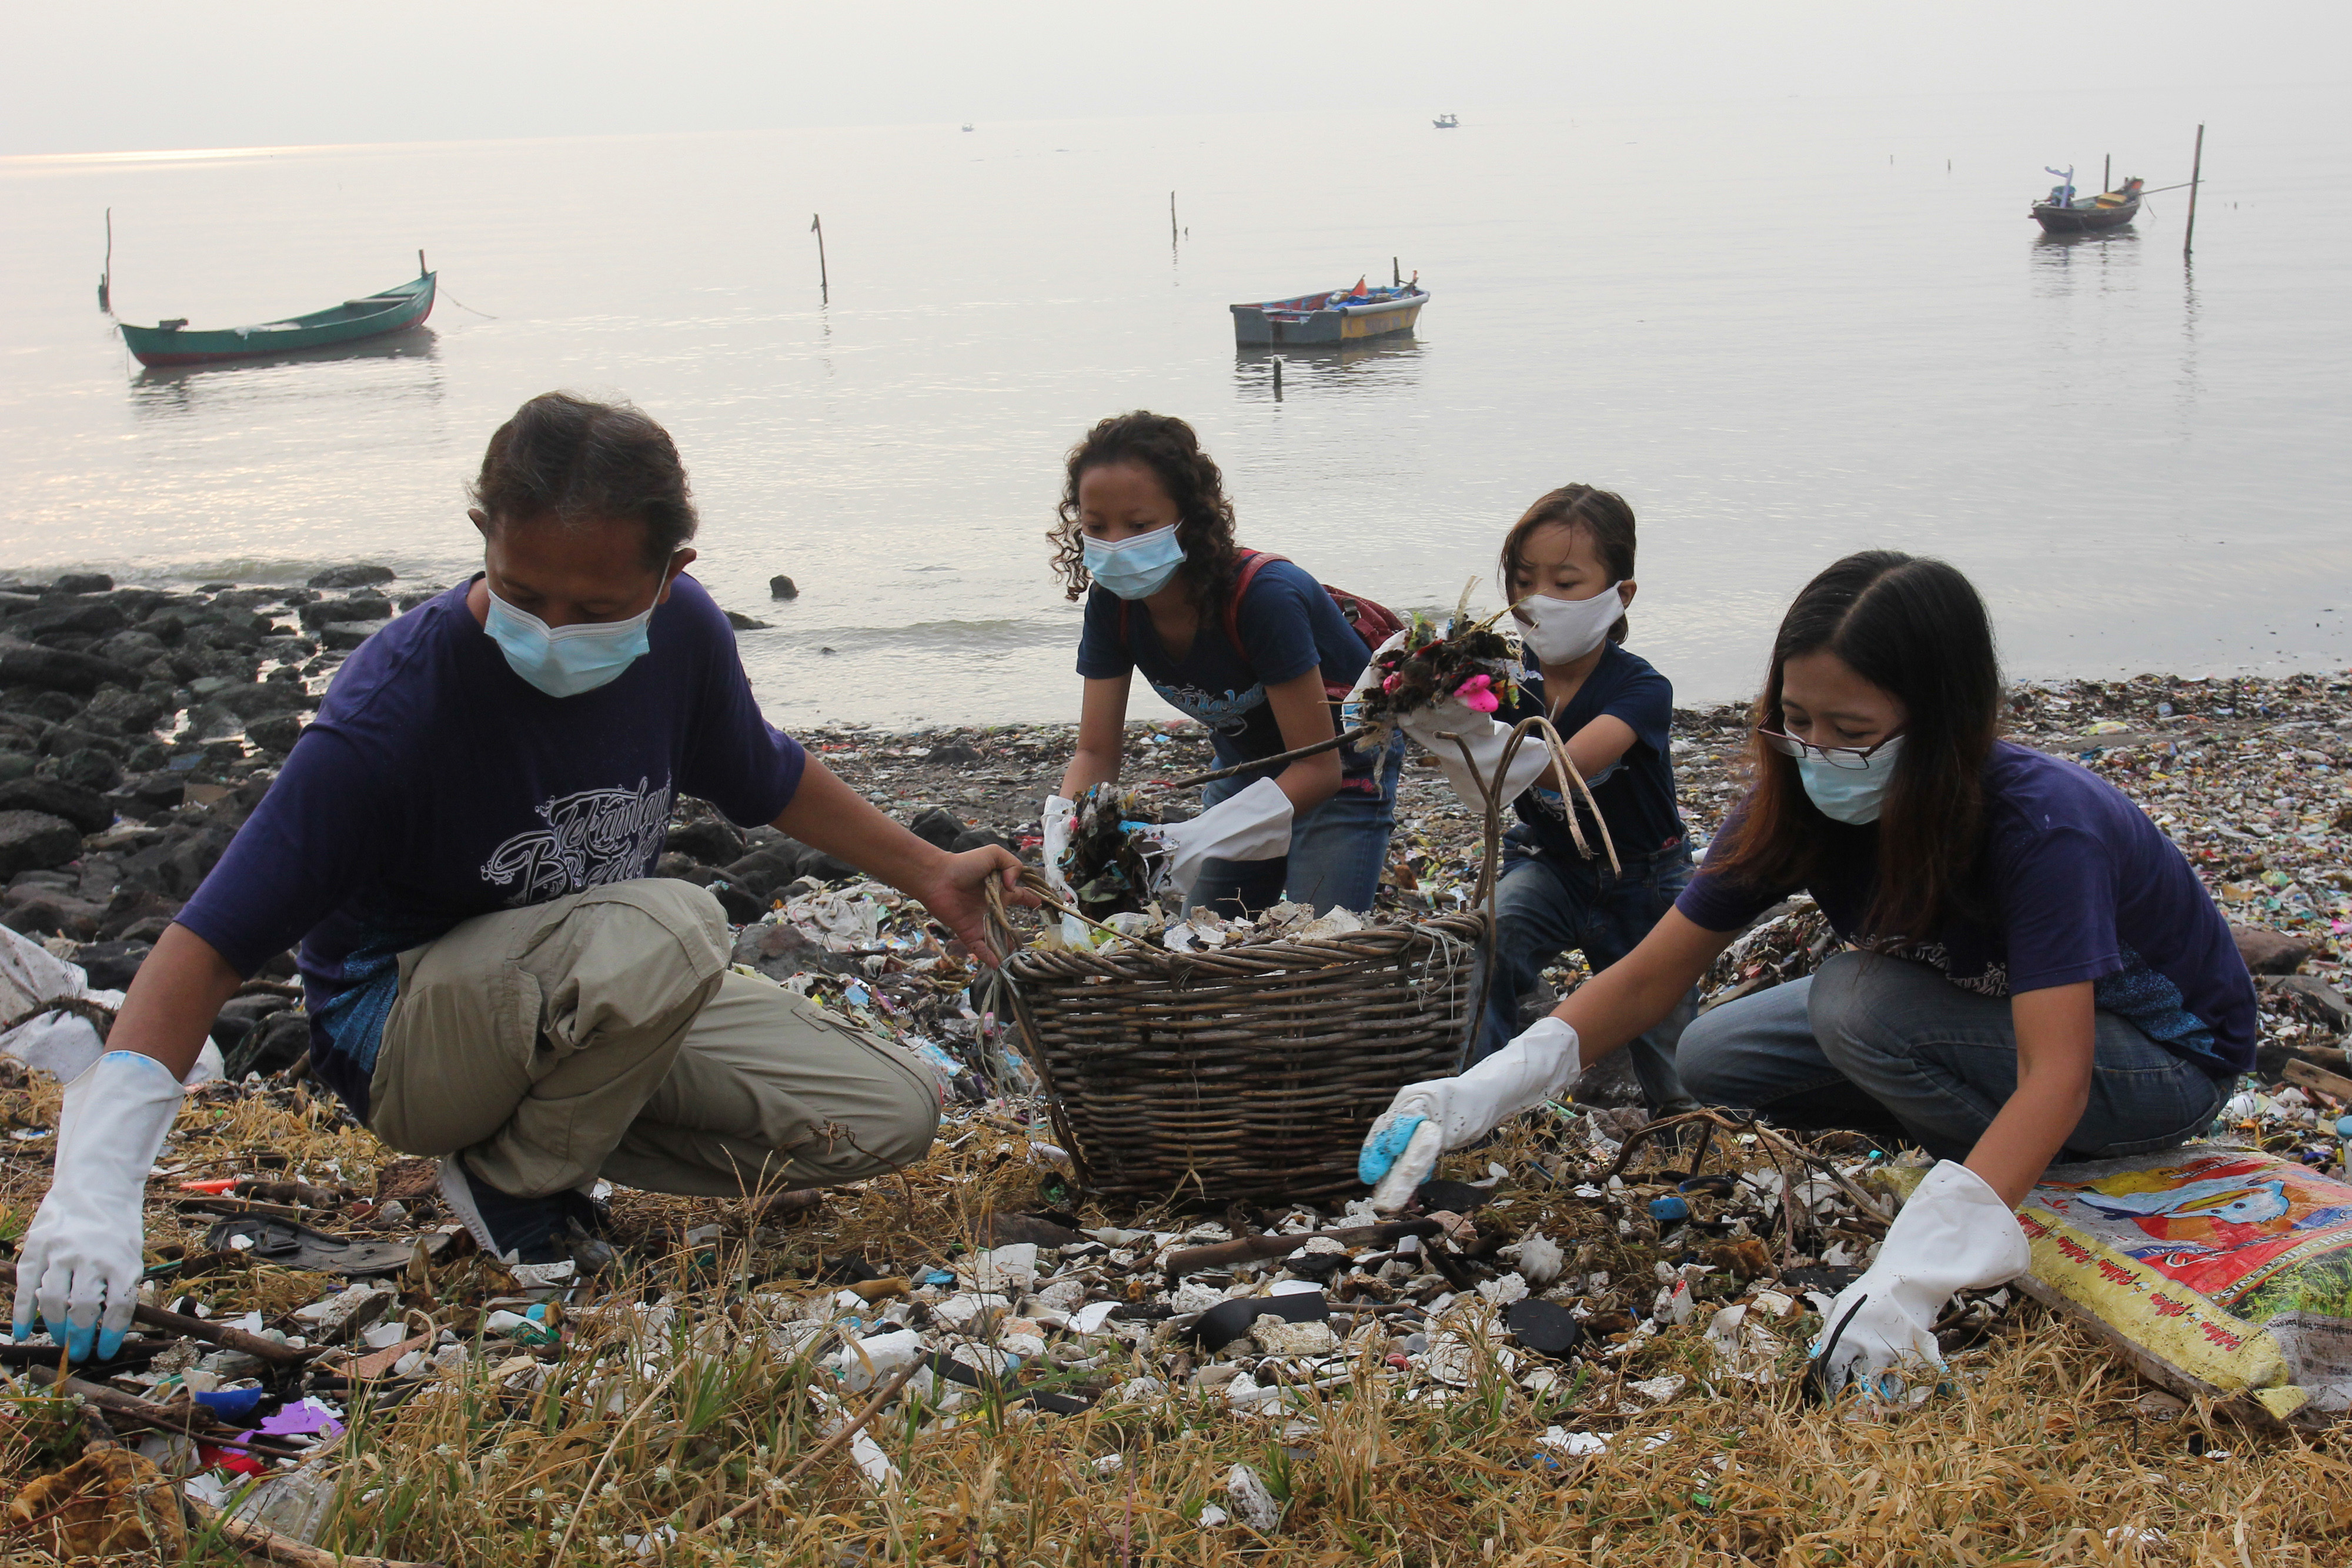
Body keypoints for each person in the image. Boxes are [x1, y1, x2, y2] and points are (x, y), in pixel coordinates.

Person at [11, 392, 1033, 1360]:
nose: (550, 628)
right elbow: (207, 944)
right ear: (482, 535)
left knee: (890, 1112)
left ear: (671, 570)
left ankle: (529, 1154)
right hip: (403, 1027)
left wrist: (933, 872)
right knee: (678, 924)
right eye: (523, 591)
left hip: (585, 1001)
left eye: (594, 604)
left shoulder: (683, 636)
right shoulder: (398, 709)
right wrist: (95, 1186)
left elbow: (765, 773)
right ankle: (509, 1180)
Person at [1358, 550, 2252, 1392]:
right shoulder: (1796, 796)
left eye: (1852, 728)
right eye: (1797, 718)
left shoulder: (2043, 826)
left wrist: (1912, 1274)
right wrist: (1475, 1092)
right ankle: (1976, 1161)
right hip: (1991, 1023)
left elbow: (2054, 1073)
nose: (1817, 747)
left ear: (1940, 721)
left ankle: (1983, 1179)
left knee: (1857, 1001)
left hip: (2165, 1061)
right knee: (1716, 1052)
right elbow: (1647, 976)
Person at [1385, 486, 1696, 1110]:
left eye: (1565, 582)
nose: (1537, 602)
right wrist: (1415, 692)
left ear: (1620, 594)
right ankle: (1472, 1105)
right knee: (1486, 952)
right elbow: (1456, 735)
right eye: (1523, 581)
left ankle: (1687, 1127)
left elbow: (1568, 768)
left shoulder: (1640, 688)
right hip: (1551, 865)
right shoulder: (1503, 675)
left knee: (1671, 1048)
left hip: (1645, 879)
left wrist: (1472, 732)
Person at [1045, 411, 1403, 917]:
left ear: (1189, 518)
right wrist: (1064, 831)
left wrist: (1199, 836)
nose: (1117, 545)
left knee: (1316, 949)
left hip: (1341, 769)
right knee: (1206, 942)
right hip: (1246, 766)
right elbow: (1096, 751)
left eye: (1140, 525)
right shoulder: (1113, 603)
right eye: (1096, 527)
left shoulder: (1263, 598)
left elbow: (1319, 768)